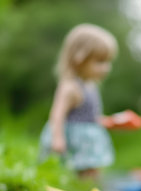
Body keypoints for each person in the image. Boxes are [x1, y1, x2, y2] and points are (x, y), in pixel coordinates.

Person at [40, 24, 117, 179]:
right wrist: (58, 138)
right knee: (65, 174)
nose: (106, 68)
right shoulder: (70, 87)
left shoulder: (91, 85)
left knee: (92, 175)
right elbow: (57, 114)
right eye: (100, 61)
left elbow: (89, 115)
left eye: (108, 62)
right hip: (73, 142)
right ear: (79, 59)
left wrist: (108, 121)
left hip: (88, 145)